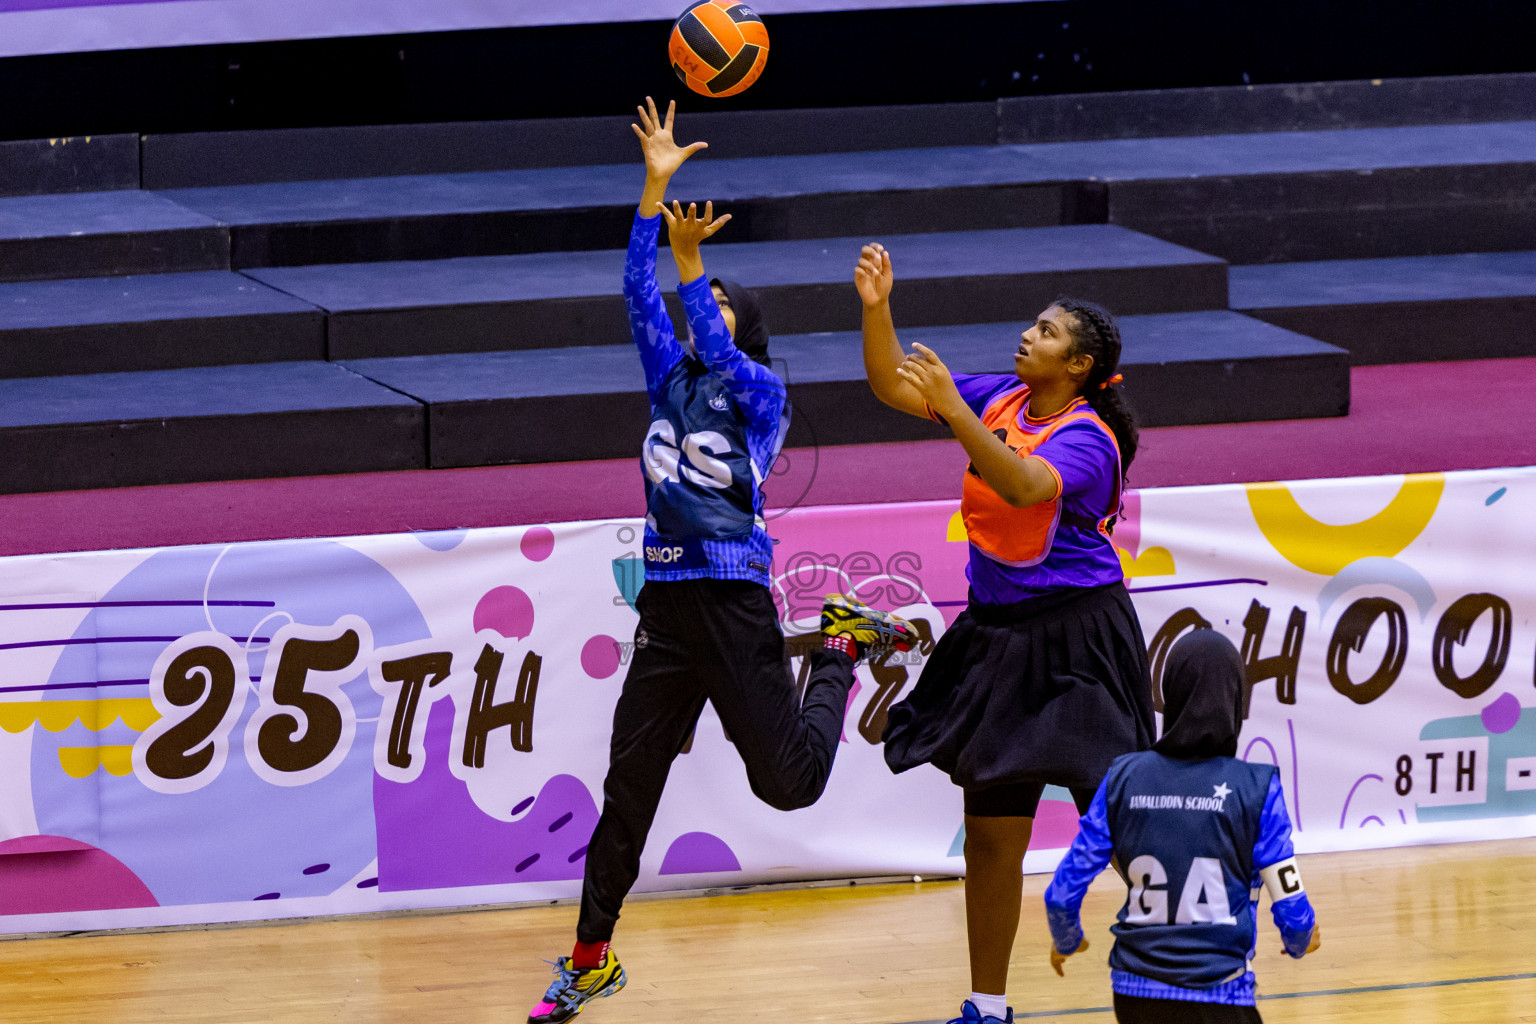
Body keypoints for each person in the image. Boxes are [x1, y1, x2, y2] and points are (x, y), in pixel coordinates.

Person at [527, 100, 914, 1024]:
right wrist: (654, 190)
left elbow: (704, 327)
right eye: (704, 302)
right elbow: (636, 292)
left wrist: (695, 266)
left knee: (790, 783)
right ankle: (589, 959)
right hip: (666, 609)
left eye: (725, 308)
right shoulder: (670, 379)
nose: (705, 314)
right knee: (628, 790)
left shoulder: (763, 396)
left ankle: (839, 654)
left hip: (736, 601)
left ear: (747, 329)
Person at [854, 241, 1156, 1024]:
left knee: (1122, 824)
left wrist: (954, 407)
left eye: (1048, 332)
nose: (1028, 335)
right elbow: (890, 384)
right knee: (990, 833)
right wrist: (877, 307)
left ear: (1081, 365)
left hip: (1080, 640)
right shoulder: (998, 401)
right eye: (1033, 325)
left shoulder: (1091, 438)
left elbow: (1024, 487)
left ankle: (1191, 972)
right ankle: (987, 1007)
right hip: (998, 637)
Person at [1044, 629, 1322, 1023]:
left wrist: (1067, 940)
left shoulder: (1121, 777)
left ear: (1170, 695)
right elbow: (1291, 903)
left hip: (1134, 996)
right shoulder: (1258, 788)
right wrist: (1300, 940)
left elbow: (1061, 895)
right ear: (1236, 699)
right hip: (1222, 995)